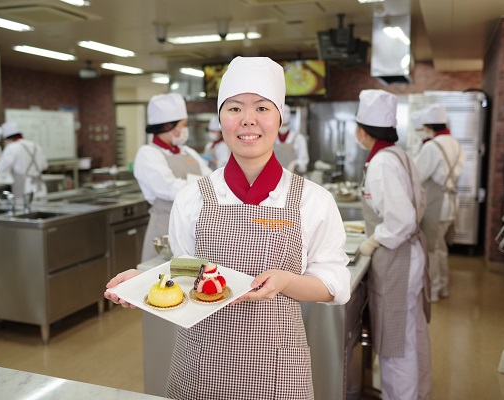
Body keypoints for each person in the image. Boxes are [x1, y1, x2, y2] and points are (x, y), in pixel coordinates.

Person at [105, 56, 351, 400]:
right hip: (200, 362)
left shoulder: (312, 199)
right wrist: (144, 281)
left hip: (278, 366)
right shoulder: (193, 197)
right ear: (220, 119)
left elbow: (334, 285)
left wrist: (285, 281)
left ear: (279, 117)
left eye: (262, 108)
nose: (248, 120)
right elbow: (186, 270)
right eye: (234, 108)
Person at [355, 89, 431, 400]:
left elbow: (402, 221)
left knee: (394, 340)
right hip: (409, 253)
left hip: (397, 257)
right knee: (408, 334)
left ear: (363, 131)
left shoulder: (382, 163)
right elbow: (419, 203)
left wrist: (375, 240)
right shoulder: (399, 155)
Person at [133, 93, 212, 261]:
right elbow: (169, 188)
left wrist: (197, 183)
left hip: (196, 225)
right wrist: (201, 185)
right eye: (183, 125)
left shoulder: (187, 151)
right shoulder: (148, 154)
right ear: (169, 126)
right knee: (162, 279)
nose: (185, 130)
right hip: (165, 227)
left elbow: (211, 179)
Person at [414, 103, 465, 302]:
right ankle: (443, 287)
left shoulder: (432, 146)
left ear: (429, 126)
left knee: (432, 250)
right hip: (450, 204)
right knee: (441, 248)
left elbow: (417, 175)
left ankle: (433, 291)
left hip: (436, 205)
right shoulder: (455, 143)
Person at [0, 122, 49, 199]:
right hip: (39, 186)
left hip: (23, 186)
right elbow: (45, 166)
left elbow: (1, 167)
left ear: (7, 139)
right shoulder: (35, 145)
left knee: (23, 208)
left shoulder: (11, 147)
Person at [273, 104, 309, 173]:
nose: (282, 128)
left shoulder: (298, 138)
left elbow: (304, 163)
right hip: (275, 177)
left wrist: (295, 163)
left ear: (289, 123)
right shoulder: (272, 138)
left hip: (293, 179)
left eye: (285, 125)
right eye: (281, 125)